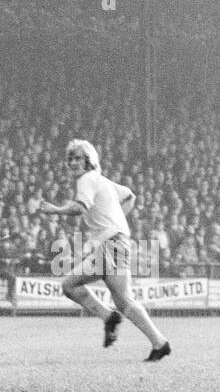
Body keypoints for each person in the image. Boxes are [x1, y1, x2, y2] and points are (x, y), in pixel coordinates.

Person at [39, 139, 171, 362]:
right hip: (113, 243)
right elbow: (129, 196)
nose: (72, 162)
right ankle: (156, 342)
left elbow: (80, 207)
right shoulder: (102, 181)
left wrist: (55, 210)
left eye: (78, 157)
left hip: (112, 244)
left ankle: (115, 320)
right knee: (114, 297)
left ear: (89, 160)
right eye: (70, 158)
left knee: (78, 288)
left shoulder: (86, 180)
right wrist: (116, 223)